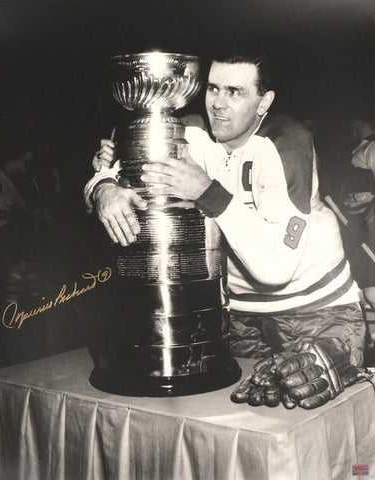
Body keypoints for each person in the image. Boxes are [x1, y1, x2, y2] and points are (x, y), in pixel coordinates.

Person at [84, 52, 369, 408]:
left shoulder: (286, 140)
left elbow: (274, 270)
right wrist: (103, 188)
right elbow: (116, 152)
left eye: (235, 92)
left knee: (311, 418)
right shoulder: (191, 132)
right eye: (213, 88)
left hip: (316, 311)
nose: (218, 104)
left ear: (264, 101)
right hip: (237, 318)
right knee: (232, 419)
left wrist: (207, 191)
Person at [340, 110, 375, 309]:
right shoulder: (362, 148)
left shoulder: (372, 148)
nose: (352, 129)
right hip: (357, 221)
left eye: (355, 124)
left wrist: (367, 200)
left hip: (369, 222)